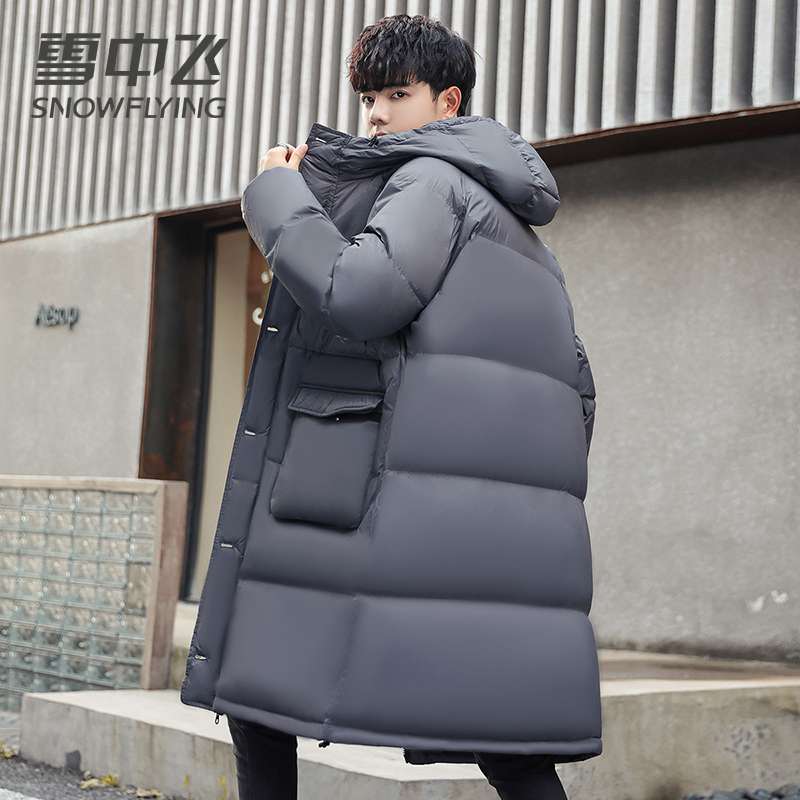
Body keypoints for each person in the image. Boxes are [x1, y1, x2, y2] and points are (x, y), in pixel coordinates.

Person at [224, 14, 576, 799]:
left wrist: (277, 197)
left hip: (373, 495)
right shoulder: (514, 224)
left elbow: (359, 294)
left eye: (397, 94)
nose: (377, 115)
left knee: (260, 682)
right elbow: (573, 382)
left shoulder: (431, 182)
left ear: (448, 102)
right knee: (495, 725)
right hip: (456, 506)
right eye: (369, 98)